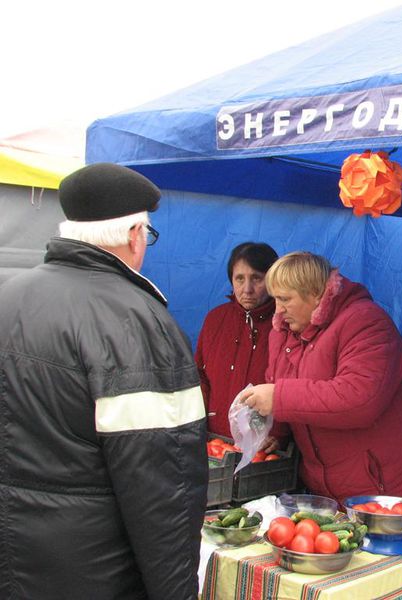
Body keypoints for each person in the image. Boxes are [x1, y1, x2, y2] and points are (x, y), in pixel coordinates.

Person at [0, 163, 208, 600]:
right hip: (95, 570)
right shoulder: (136, 319)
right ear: (135, 234)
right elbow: (162, 485)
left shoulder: (9, 296)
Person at [240, 251, 402, 533]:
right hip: (340, 498)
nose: (277, 310)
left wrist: (278, 398)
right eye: (275, 298)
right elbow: (293, 394)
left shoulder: (365, 322)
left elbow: (359, 398)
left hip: (396, 494)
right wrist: (276, 433)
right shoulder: (282, 333)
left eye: (285, 299)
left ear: (315, 294)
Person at [195, 242, 279, 440]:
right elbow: (199, 375)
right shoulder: (216, 319)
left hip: (265, 445)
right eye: (239, 278)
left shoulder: (284, 322)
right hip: (216, 441)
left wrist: (279, 434)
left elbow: (293, 388)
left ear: (273, 280)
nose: (247, 289)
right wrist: (198, 425)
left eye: (256, 278)